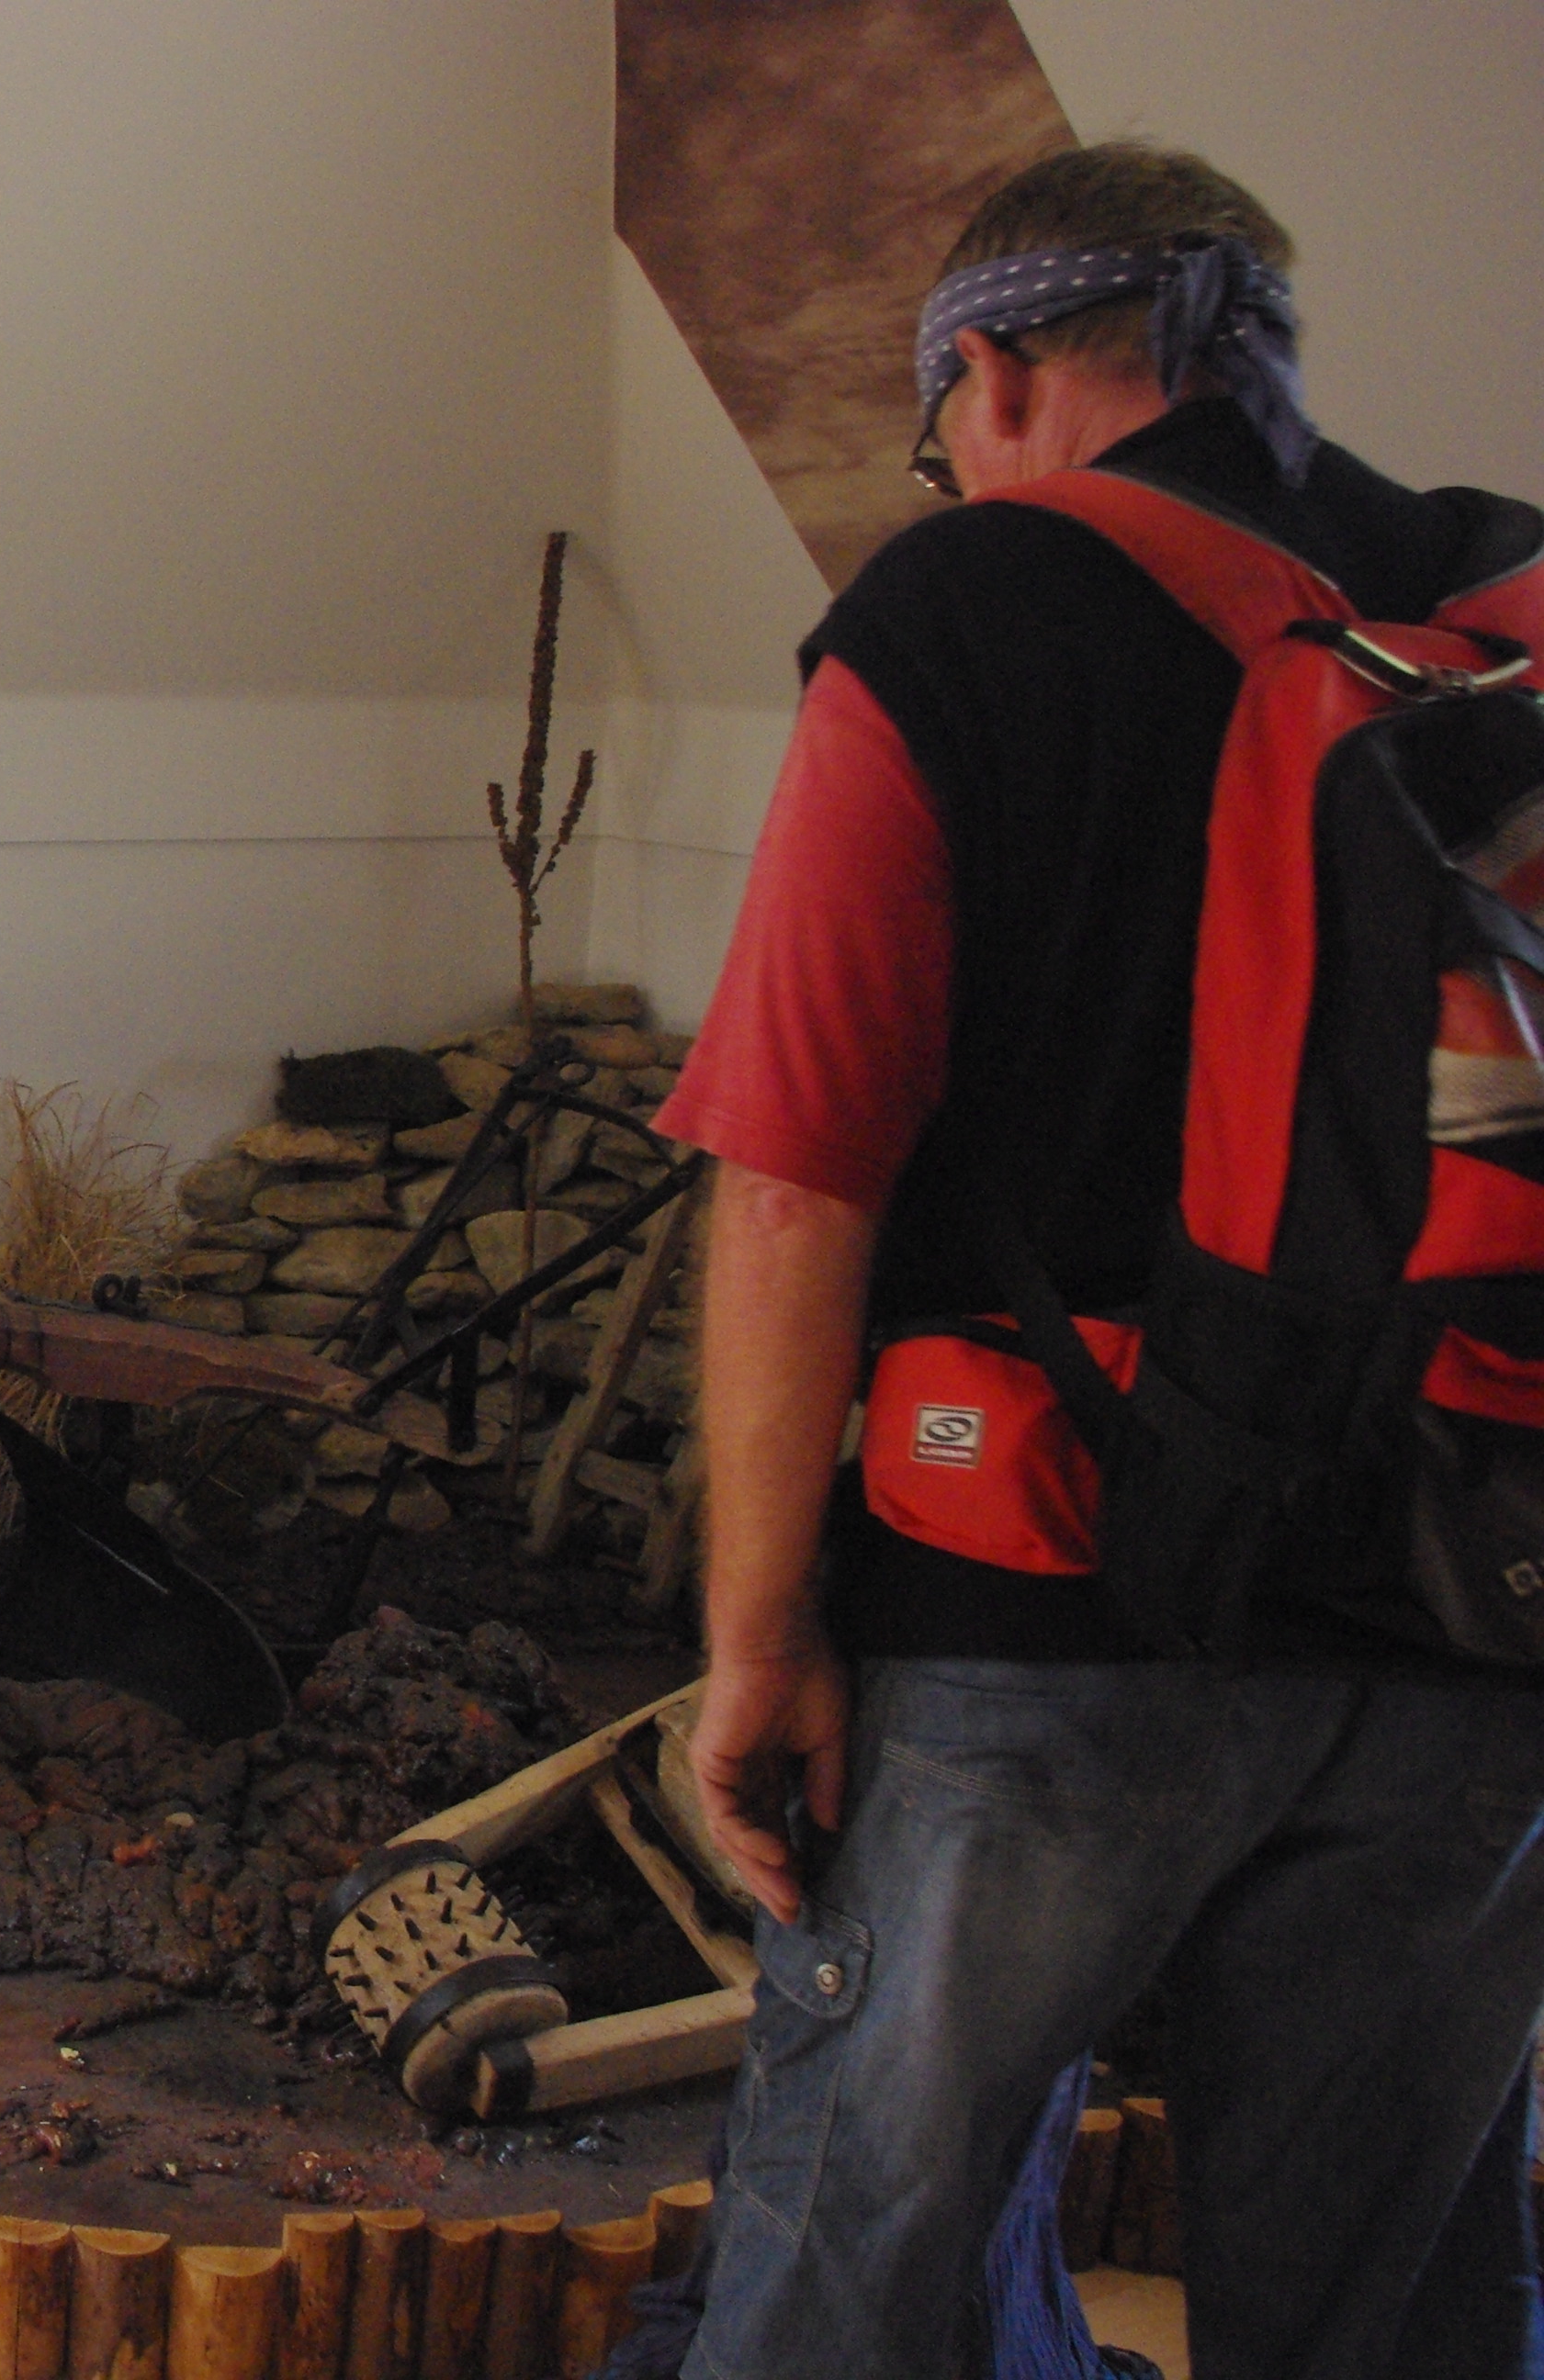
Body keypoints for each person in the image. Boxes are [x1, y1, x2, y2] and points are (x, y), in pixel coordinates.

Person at [659, 144, 1544, 2377]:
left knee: (867, 2252)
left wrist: (754, 1635)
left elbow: (793, 1175)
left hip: (1042, 1589)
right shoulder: (1508, 597)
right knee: (1394, 2301)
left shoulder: (959, 611)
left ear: (994, 370)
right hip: (1480, 1585)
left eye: (938, 428)